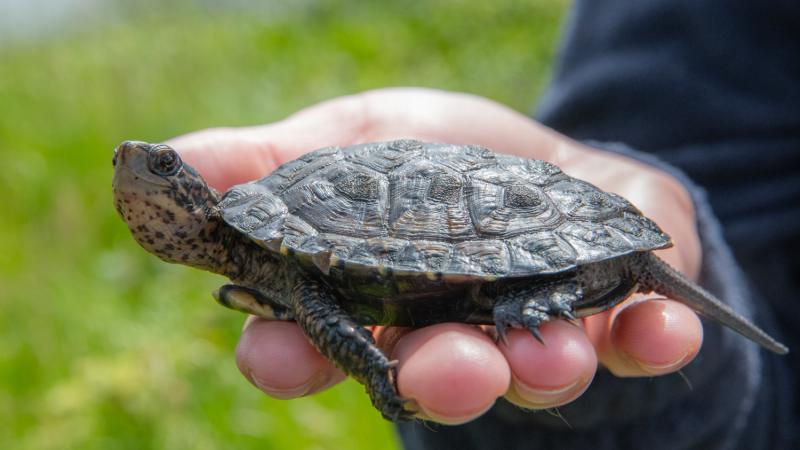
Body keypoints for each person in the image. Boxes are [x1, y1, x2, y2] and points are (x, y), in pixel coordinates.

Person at [166, 1, 797, 448]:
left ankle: (564, 293)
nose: (134, 171)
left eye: (166, 170)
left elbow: (330, 320)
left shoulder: (293, 273)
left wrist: (380, 380)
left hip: (565, 245)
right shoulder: (280, 257)